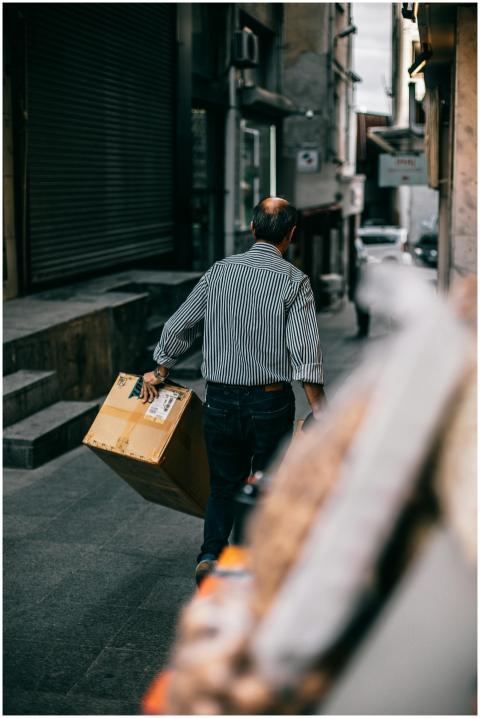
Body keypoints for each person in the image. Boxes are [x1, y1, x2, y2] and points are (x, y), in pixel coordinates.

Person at [140, 197, 326, 583]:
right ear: (290, 235)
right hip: (270, 401)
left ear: (254, 229)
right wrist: (320, 410)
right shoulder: (294, 281)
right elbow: (305, 351)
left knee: (223, 483)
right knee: (265, 483)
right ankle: (247, 560)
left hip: (220, 400)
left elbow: (179, 325)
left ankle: (210, 555)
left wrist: (161, 368)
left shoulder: (219, 272)